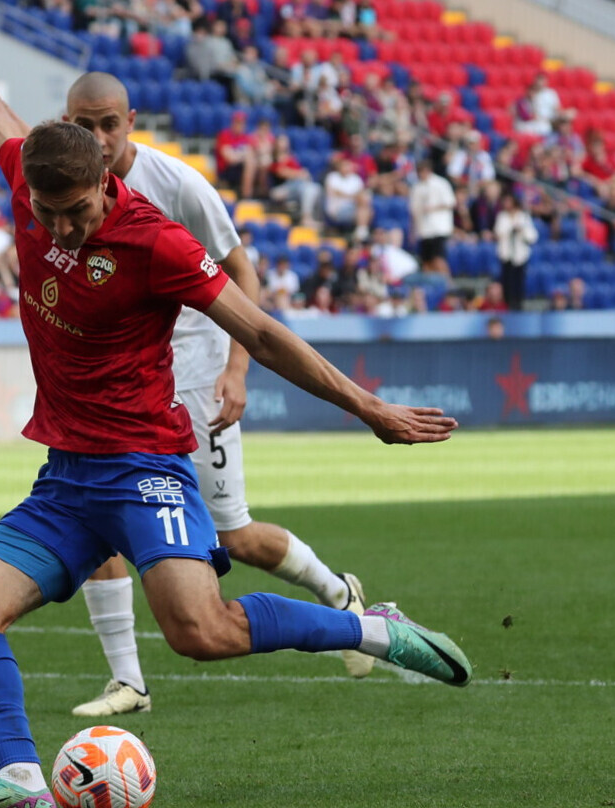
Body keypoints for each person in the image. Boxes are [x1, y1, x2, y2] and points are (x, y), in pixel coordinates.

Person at [0, 5, 469, 808]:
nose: (60, 228)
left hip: (143, 467)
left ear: (107, 181)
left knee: (200, 633)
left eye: (77, 212)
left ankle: (373, 632)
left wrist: (368, 407)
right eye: (47, 213)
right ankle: (21, 782)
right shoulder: (28, 173)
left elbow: (262, 332)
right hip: (66, 477)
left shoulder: (155, 240)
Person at [60, 71, 382, 718]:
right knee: (97, 521)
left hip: (194, 376)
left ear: (130, 121)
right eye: (83, 125)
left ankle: (339, 593)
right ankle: (129, 681)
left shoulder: (177, 185)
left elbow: (241, 271)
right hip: (121, 388)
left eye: (108, 124)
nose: (96, 138)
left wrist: (234, 372)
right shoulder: (62, 186)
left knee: (234, 536)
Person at [495, 192, 537, 310]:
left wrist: (521, 230)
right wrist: (510, 229)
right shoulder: (502, 216)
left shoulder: (523, 217)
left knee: (519, 281)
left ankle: (519, 303)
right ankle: (507, 303)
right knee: (507, 281)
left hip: (520, 254)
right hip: (506, 254)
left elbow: (532, 236)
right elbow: (499, 233)